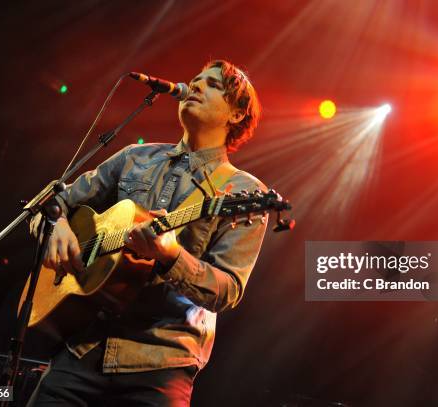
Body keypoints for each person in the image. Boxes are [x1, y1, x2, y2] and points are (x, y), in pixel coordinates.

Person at [28, 60, 267, 406]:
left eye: (212, 85)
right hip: (82, 348)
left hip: (161, 364)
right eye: (195, 79)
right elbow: (48, 204)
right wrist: (55, 227)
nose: (195, 85)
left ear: (236, 114)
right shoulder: (134, 158)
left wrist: (171, 256)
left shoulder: (243, 191)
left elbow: (228, 290)